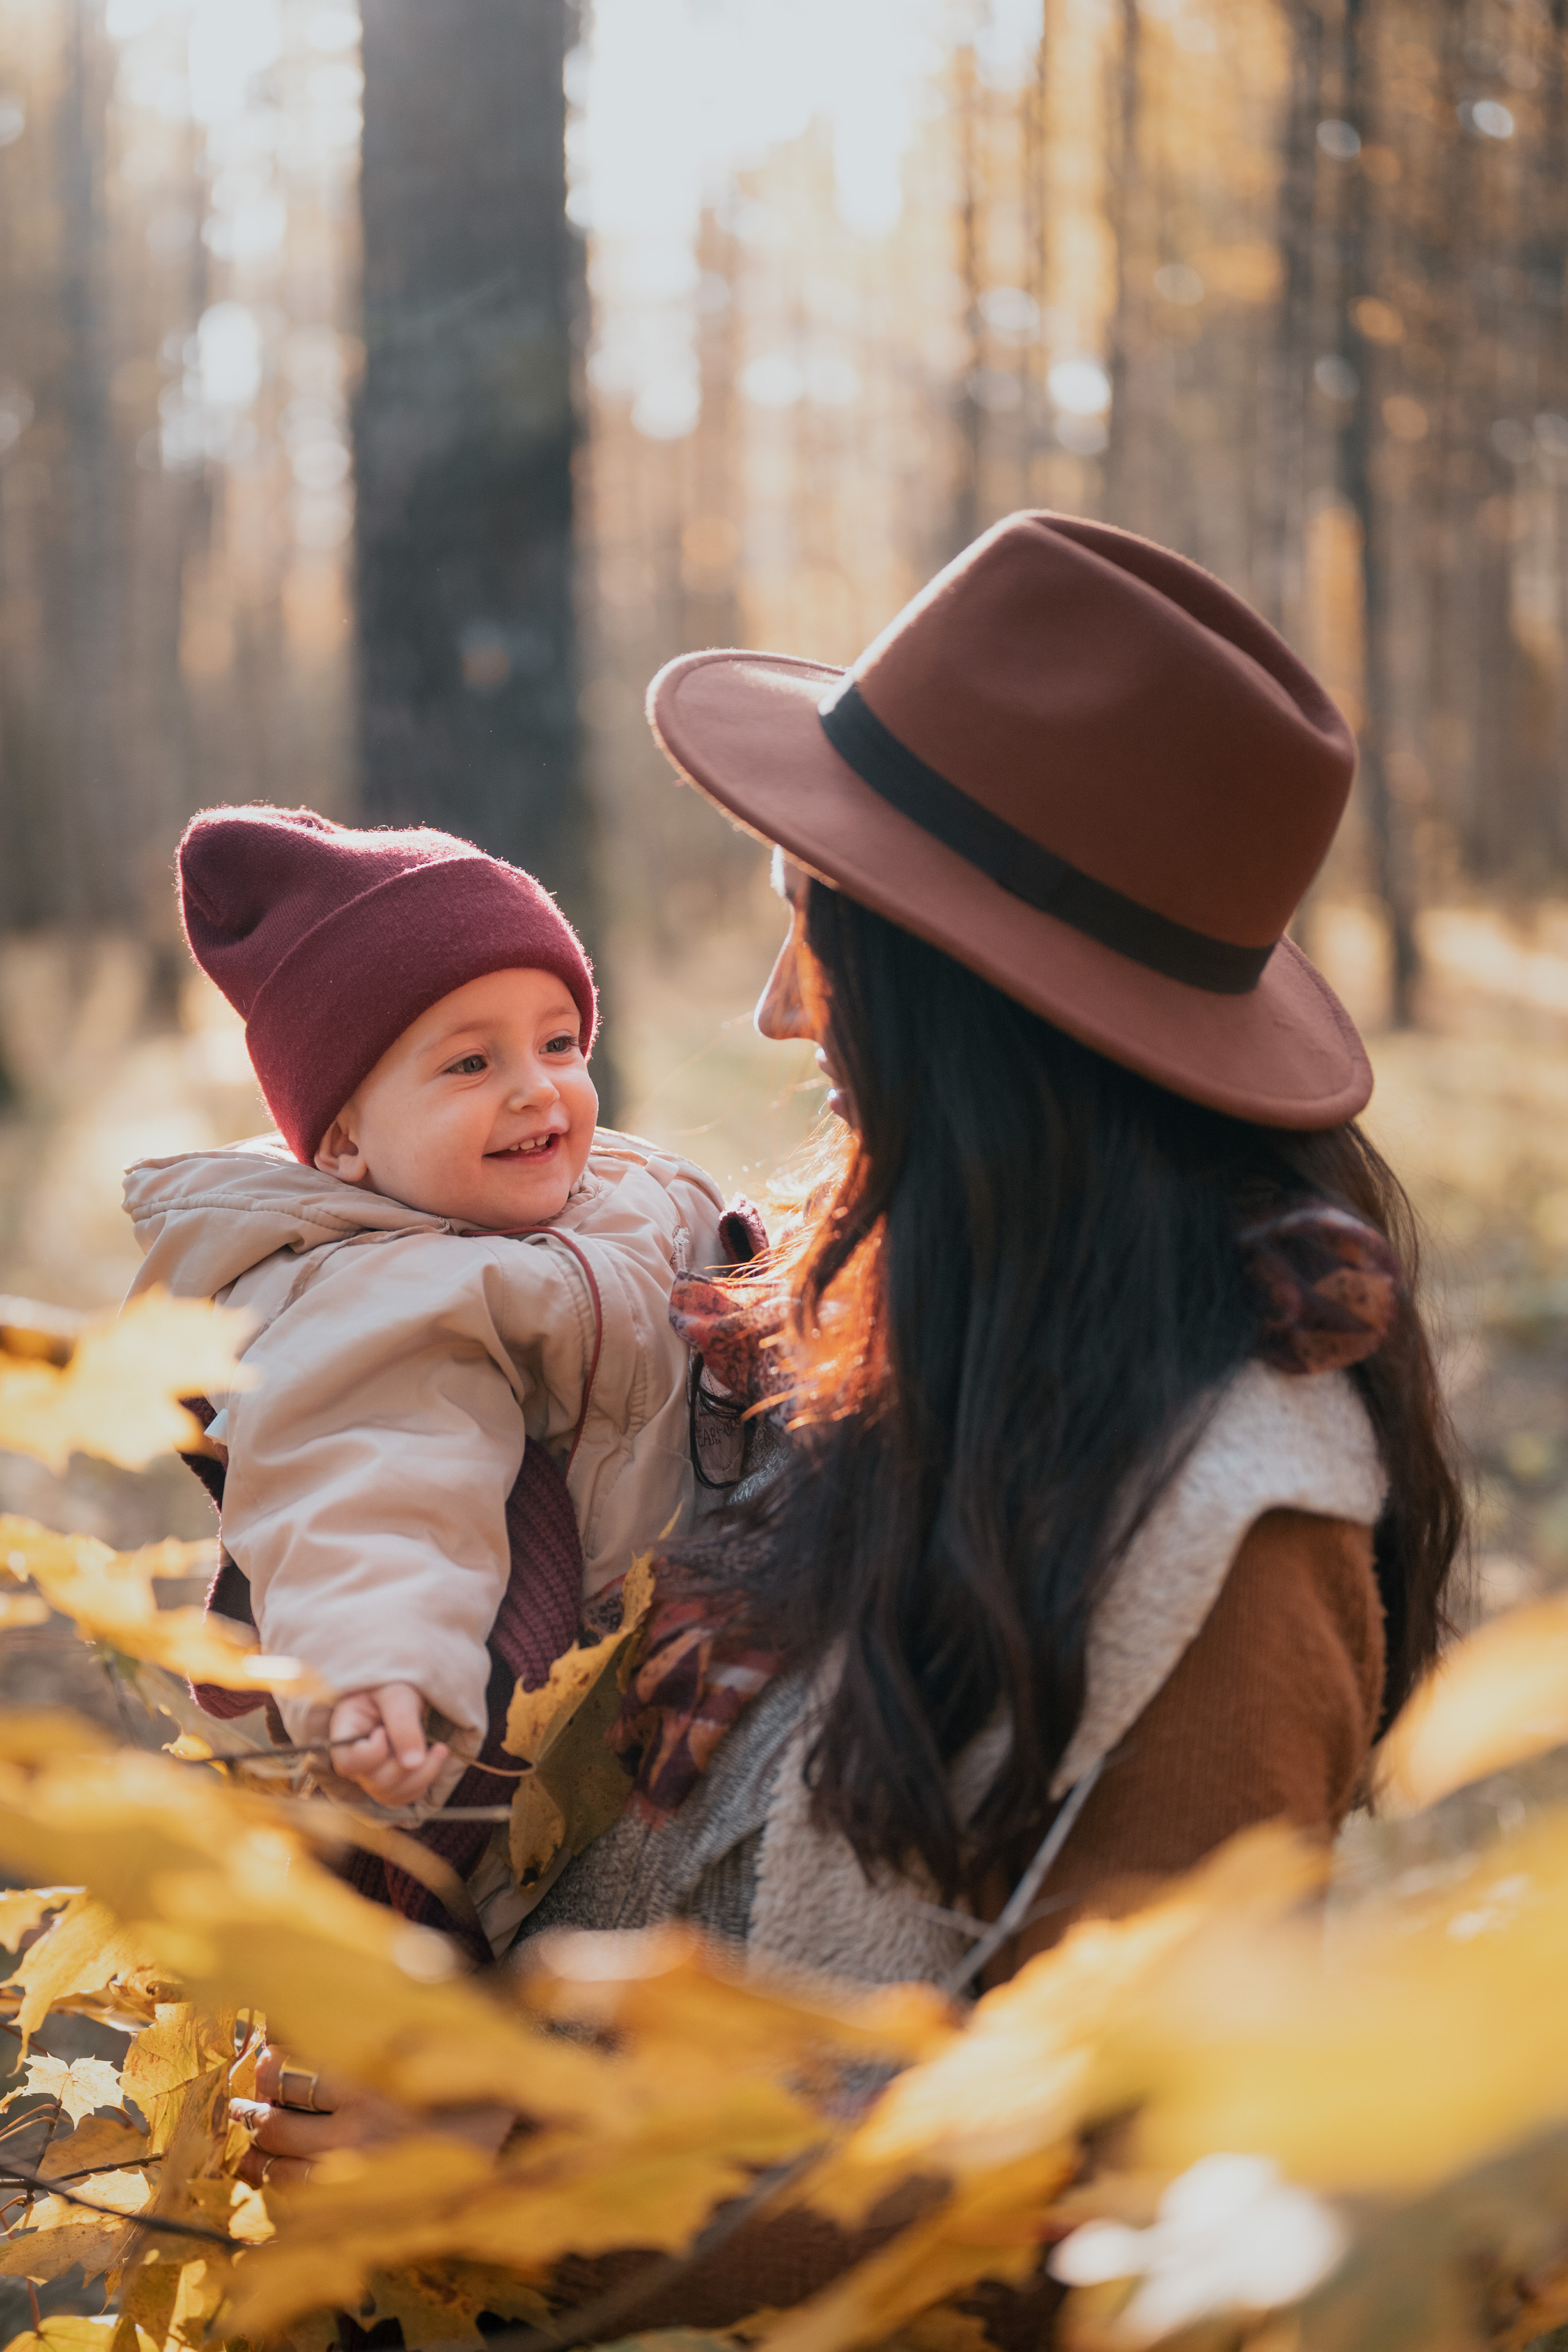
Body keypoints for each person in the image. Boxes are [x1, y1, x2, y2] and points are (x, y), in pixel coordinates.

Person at [240, 515, 1461, 2263]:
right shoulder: (874, 1324)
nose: (774, 1008)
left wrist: (521, 2144)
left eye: (823, 933)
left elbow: (1123, 2209)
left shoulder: (1234, 1539)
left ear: (988, 1022)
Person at [123, 805, 728, 1954]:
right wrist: (374, 1673)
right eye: (470, 1063)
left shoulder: (621, 1193)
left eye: (559, 1044)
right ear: (345, 1143)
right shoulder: (371, 1299)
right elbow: (365, 1486)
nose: (538, 1091)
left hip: (678, 1682)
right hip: (520, 1781)